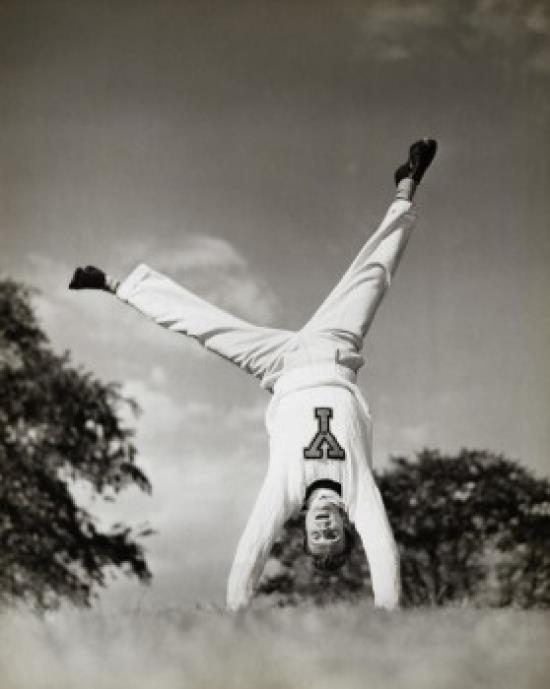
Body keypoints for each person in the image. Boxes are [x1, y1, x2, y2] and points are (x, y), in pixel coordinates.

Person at [69, 138, 437, 611]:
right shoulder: (358, 487)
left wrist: (235, 618)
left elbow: (251, 550)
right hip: (333, 352)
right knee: (372, 276)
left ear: (303, 525)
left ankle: (114, 284)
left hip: (278, 366)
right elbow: (384, 552)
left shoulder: (284, 488)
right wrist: (388, 615)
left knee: (204, 326)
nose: (323, 527)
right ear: (346, 524)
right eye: (333, 533)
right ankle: (406, 186)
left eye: (316, 534)